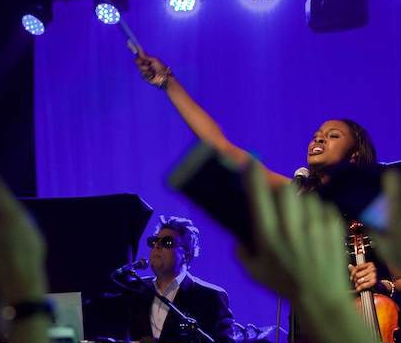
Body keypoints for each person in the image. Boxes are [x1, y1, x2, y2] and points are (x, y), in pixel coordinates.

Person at [133, 50, 397, 298]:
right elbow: (222, 148)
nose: (319, 140)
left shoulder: (376, 202)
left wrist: (383, 285)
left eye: (333, 136)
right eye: (316, 136)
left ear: (354, 154)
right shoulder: (299, 192)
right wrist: (167, 82)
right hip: (311, 330)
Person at [120, 215, 238, 343]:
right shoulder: (135, 290)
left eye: (167, 242)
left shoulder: (210, 297)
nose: (157, 246)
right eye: (154, 241)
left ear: (186, 256)